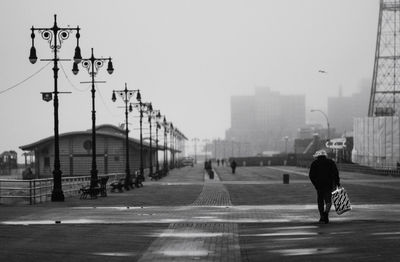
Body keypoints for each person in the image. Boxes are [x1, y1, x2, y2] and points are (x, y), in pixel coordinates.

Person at [309, 149, 340, 224]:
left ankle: (321, 217)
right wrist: (337, 182)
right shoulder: (331, 162)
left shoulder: (314, 163)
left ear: (317, 156)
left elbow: (311, 175)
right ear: (325, 155)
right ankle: (326, 213)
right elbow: (336, 173)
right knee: (328, 200)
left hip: (319, 185)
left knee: (320, 201)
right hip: (329, 184)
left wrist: (315, 184)